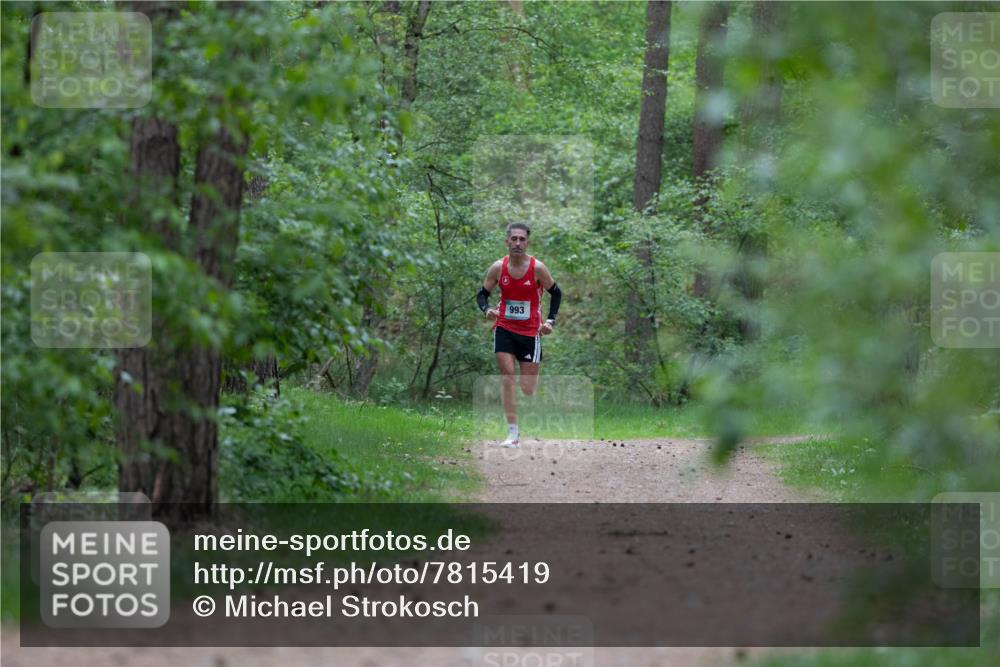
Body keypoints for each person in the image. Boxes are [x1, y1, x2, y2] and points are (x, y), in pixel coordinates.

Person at [476, 222, 562, 448]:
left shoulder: (537, 268)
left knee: (527, 388)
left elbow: (556, 293)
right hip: (504, 327)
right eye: (513, 239)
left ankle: (518, 420)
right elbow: (482, 294)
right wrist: (487, 310)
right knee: (507, 376)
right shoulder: (498, 267)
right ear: (507, 241)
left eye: (521, 239)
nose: (517, 243)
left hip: (530, 333)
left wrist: (550, 321)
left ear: (527, 242)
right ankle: (513, 433)